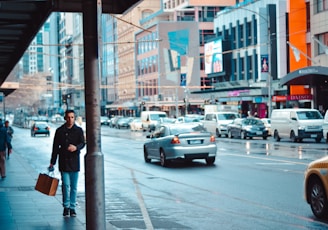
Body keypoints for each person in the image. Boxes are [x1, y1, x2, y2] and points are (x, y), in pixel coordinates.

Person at [49, 110, 85, 217]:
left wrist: (76, 147)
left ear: (75, 118)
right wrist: (52, 162)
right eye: (68, 117)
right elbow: (55, 147)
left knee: (73, 186)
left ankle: (72, 207)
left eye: (72, 117)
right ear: (65, 118)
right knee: (65, 185)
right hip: (63, 161)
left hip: (75, 161)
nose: (70, 119)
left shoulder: (78, 130)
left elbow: (83, 143)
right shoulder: (59, 131)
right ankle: (66, 206)